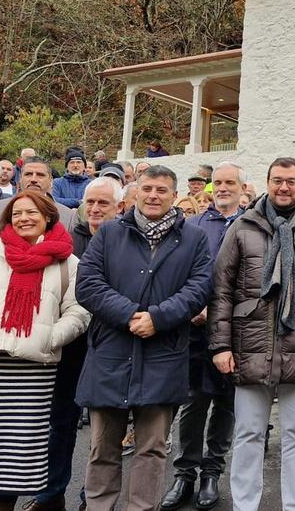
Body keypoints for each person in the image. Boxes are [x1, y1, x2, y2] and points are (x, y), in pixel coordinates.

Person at [209, 157, 295, 511]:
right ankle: (244, 504)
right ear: (267, 182)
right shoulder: (243, 226)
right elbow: (222, 289)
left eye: (290, 181)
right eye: (277, 180)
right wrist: (221, 344)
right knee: (248, 434)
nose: (283, 187)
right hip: (249, 344)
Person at [74, 164, 212, 511]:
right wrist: (129, 314)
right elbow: (88, 285)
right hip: (112, 353)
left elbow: (199, 288)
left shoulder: (194, 239)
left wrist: (158, 318)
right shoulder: (108, 234)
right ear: (136, 192)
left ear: (174, 195)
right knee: (103, 448)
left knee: (151, 449)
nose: (153, 196)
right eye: (147, 188)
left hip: (163, 354)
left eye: (161, 190)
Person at [0, 191, 89, 510]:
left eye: (31, 212)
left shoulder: (68, 263)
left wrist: (50, 337)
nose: (23, 218)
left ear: (48, 217)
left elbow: (79, 311)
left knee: (17, 454)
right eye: (16, 213)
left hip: (34, 371)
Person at [24, 176, 127, 511]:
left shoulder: (128, 241)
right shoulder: (66, 241)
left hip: (112, 346)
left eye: (103, 204)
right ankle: (50, 493)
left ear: (119, 207)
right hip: (70, 347)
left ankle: (93, 497)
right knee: (60, 424)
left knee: (105, 432)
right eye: (90, 203)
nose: (95, 210)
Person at [161, 163, 245, 511]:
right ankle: (185, 474)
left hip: (237, 331)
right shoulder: (192, 224)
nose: (222, 188)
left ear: (242, 188)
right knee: (194, 402)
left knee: (226, 403)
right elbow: (180, 272)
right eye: (218, 183)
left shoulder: (252, 225)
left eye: (230, 183)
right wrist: (193, 307)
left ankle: (212, 472)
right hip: (195, 330)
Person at [0, 157, 76, 239]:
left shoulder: (68, 217)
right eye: (28, 174)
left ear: (51, 181)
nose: (33, 179)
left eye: (40, 175)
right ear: (20, 179)